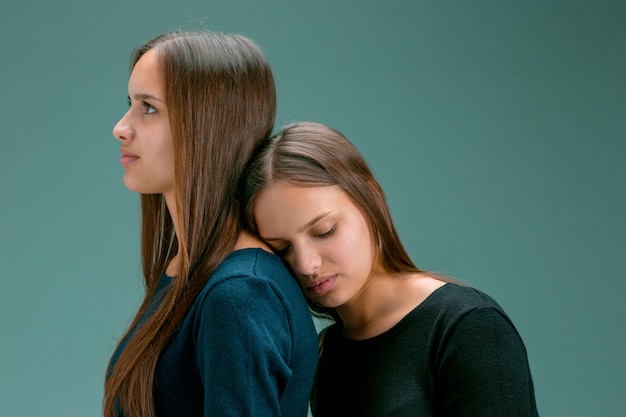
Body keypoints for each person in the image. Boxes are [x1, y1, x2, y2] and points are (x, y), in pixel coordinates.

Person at [243, 121, 540, 417]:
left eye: (324, 231)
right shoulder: (324, 352)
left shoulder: (467, 328)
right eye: (283, 248)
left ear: (371, 198)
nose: (306, 265)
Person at [104, 32, 318, 417]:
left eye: (148, 108)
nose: (121, 127)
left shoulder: (240, 294)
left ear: (208, 124)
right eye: (130, 104)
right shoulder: (191, 273)